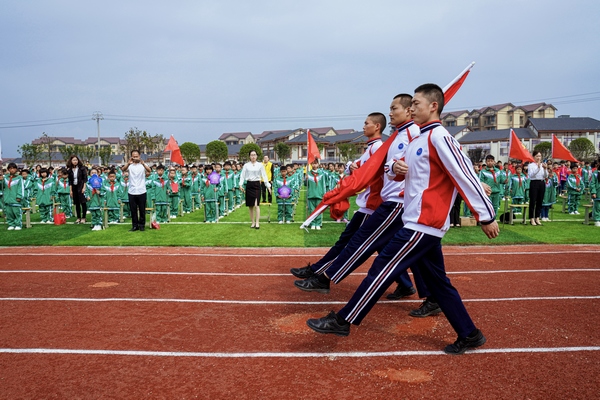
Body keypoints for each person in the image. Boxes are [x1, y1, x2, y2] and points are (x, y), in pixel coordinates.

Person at [306, 83, 499, 355]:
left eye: (416, 104)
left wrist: (485, 215)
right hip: (417, 222)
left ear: (433, 106)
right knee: (439, 284)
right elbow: (395, 170)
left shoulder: (440, 138)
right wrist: (396, 168)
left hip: (425, 223)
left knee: (381, 269)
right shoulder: (418, 139)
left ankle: (343, 320)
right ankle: (469, 334)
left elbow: (463, 174)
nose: (412, 109)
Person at [293, 99, 426, 307]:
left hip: (385, 204)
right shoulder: (389, 141)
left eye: (393, 109)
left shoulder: (408, 136)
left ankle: (323, 277)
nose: (390, 113)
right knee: (402, 251)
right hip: (383, 204)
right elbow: (368, 169)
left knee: (358, 244)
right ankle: (415, 288)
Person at [239, 150, 271, 229]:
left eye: (254, 155)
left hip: (257, 185)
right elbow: (242, 175)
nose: (253, 156)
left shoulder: (260, 165)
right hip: (249, 184)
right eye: (251, 155)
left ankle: (257, 222)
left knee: (256, 205)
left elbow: (264, 175)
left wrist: (268, 185)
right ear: (249, 156)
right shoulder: (246, 165)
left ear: (257, 156)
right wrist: (240, 184)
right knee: (250, 206)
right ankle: (252, 222)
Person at [121, 150, 151, 232]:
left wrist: (143, 163)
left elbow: (149, 171)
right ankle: (135, 226)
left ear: (139, 156)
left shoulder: (142, 165)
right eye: (133, 156)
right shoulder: (130, 166)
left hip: (141, 190)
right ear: (131, 156)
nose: (135, 157)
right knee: (133, 210)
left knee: (142, 209)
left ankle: (142, 225)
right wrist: (128, 163)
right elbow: (123, 169)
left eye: (136, 156)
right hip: (132, 191)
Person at [0, 163, 25, 230]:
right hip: (7, 199)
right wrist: (1, 180)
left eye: (14, 168)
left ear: (16, 169)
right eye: (10, 168)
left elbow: (21, 188)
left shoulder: (19, 178)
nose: (12, 170)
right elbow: (2, 187)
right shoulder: (5, 178)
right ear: (8, 169)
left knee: (16, 213)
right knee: (9, 213)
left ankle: (18, 225)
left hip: (15, 198)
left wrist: (19, 196)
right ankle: (11, 224)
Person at [528, 151, 548, 225]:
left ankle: (537, 217)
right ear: (533, 157)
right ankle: (531, 218)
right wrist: (538, 168)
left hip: (541, 183)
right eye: (537, 156)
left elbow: (546, 176)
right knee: (533, 201)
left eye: (540, 156)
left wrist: (545, 169)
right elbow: (531, 175)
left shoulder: (543, 165)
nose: (538, 158)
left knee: (540, 201)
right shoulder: (531, 165)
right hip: (534, 183)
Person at [306, 158, 326, 230]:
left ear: (318, 164)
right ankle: (312, 223)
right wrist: (306, 179)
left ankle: (318, 223)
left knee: (319, 210)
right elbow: (306, 184)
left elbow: (324, 184)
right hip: (311, 195)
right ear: (311, 164)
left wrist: (324, 194)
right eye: (313, 163)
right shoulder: (308, 174)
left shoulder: (322, 174)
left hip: (319, 195)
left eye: (315, 163)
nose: (314, 165)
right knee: (311, 210)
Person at [67, 155, 88, 224]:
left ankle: (84, 217)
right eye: (73, 160)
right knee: (77, 203)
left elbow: (85, 179)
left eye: (76, 160)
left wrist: (84, 187)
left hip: (81, 186)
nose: (75, 161)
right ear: (71, 161)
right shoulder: (69, 170)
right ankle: (78, 217)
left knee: (83, 202)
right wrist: (70, 190)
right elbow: (70, 181)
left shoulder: (82, 168)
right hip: (74, 187)